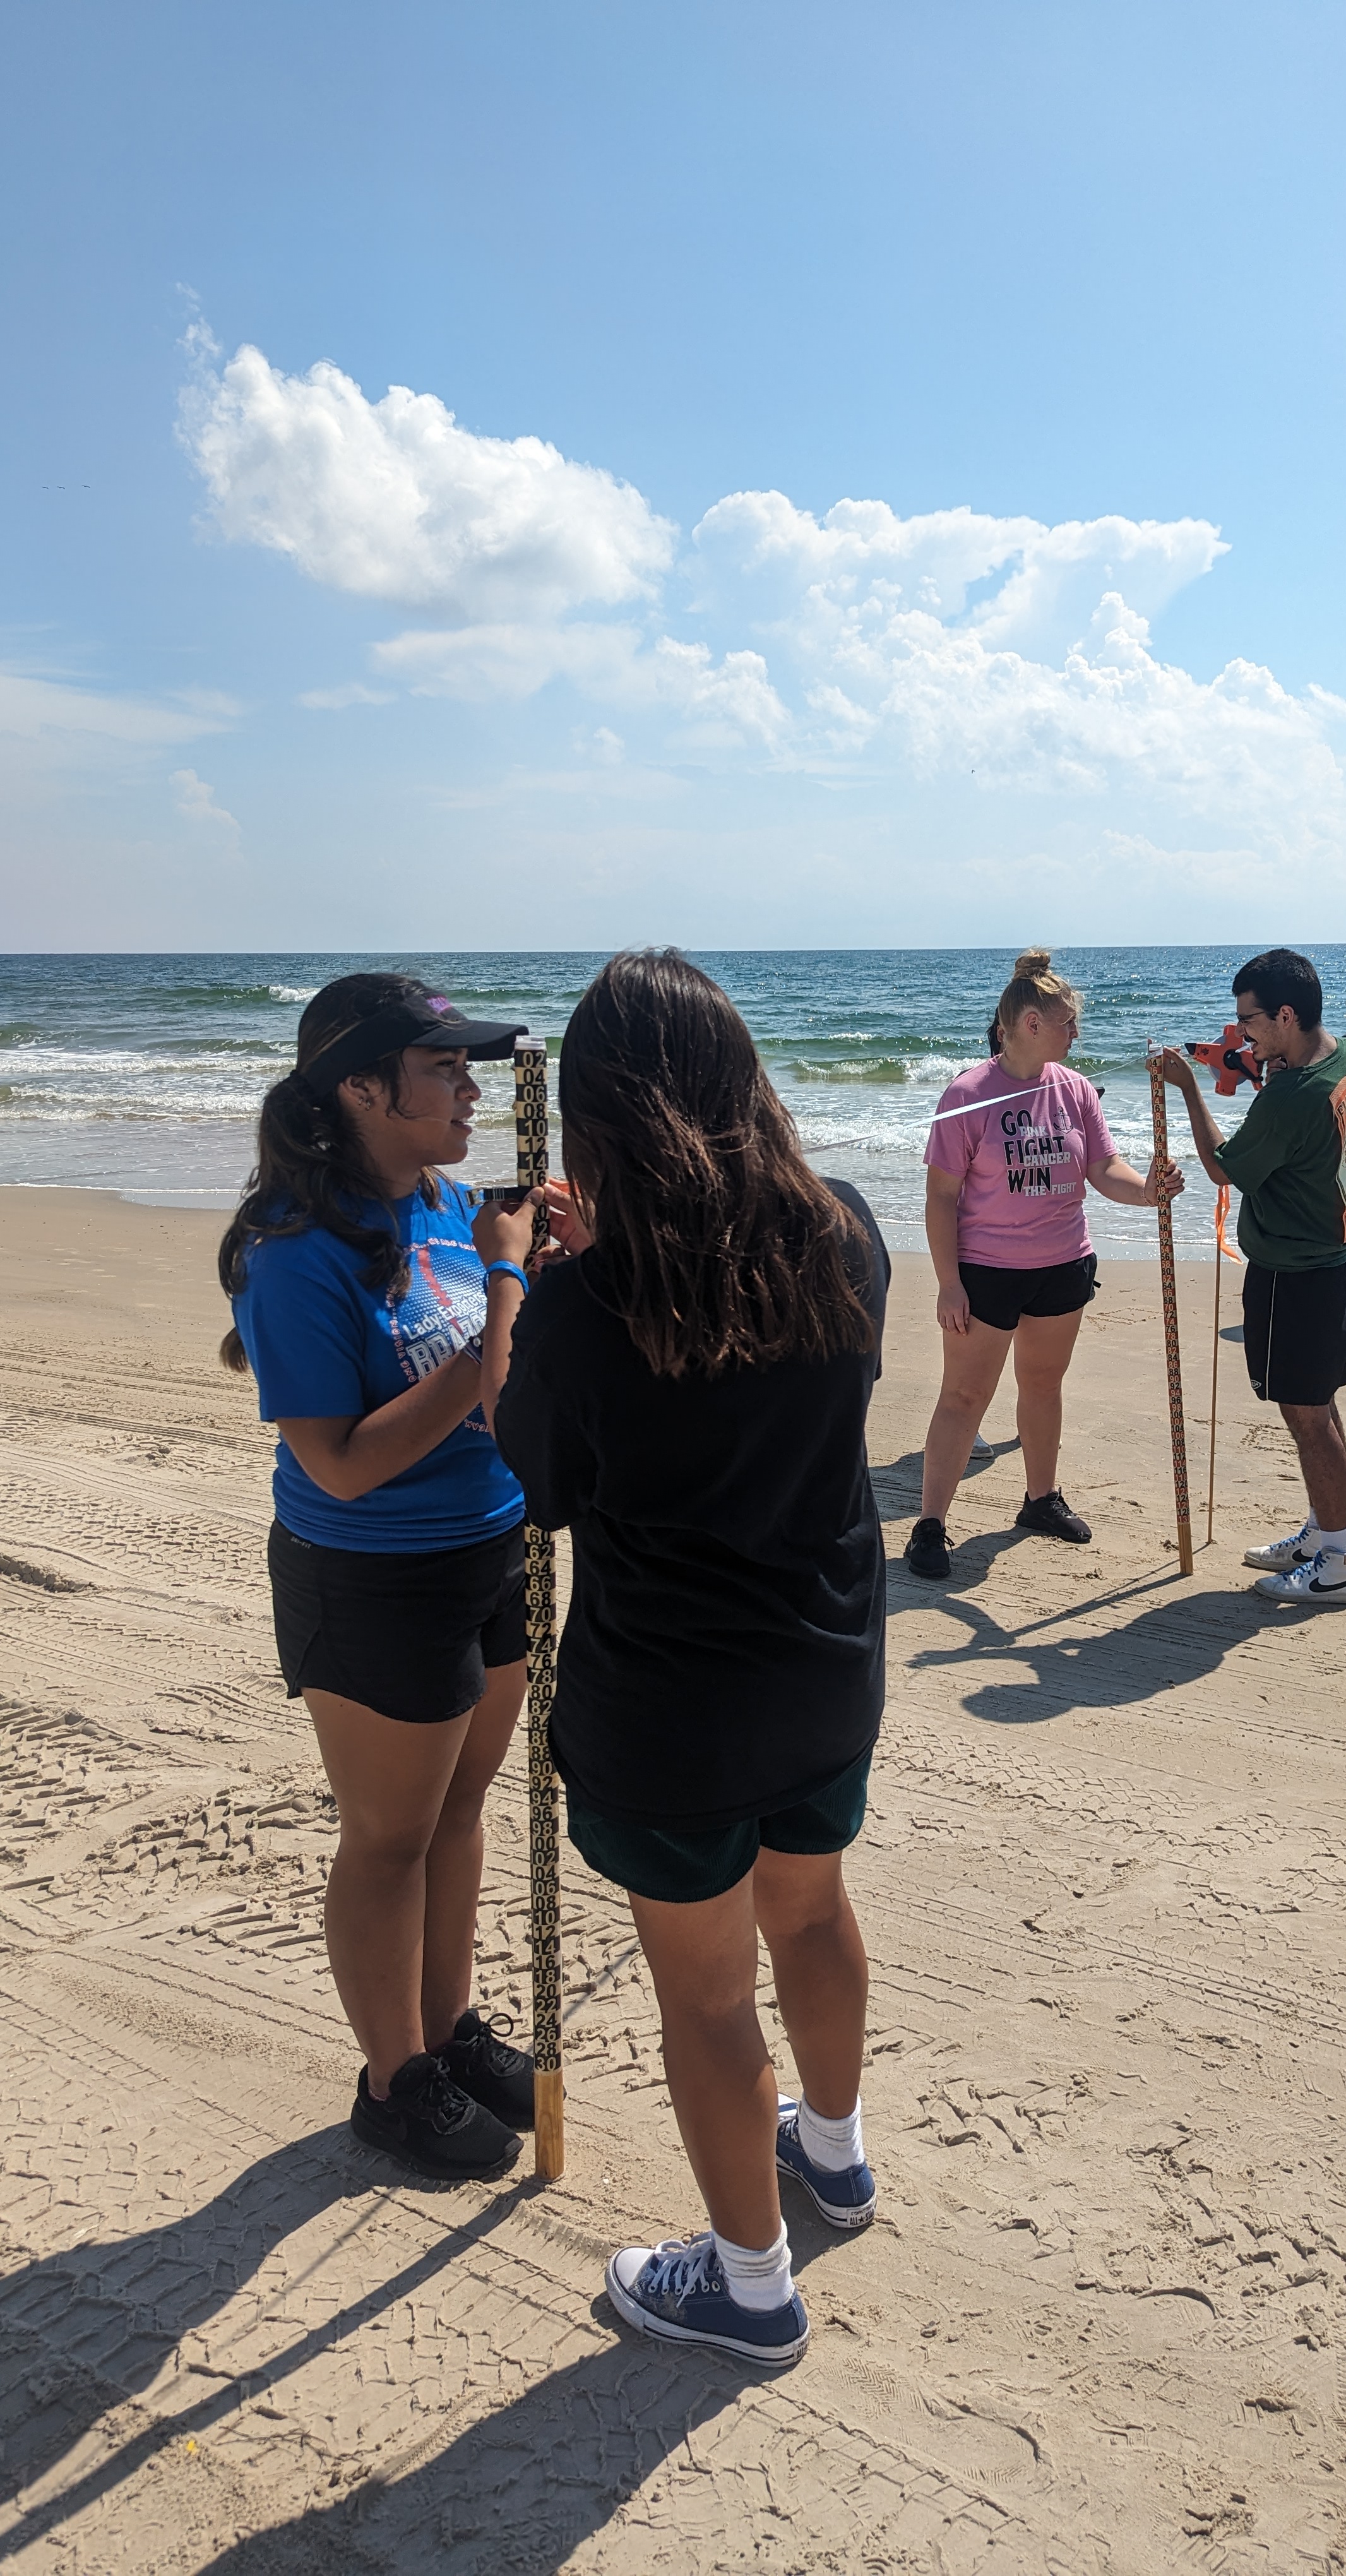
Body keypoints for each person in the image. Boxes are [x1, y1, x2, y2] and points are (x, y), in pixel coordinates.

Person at [494, 951, 890, 2368]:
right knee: (815, 1909)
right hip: (826, 1662)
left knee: (710, 1995)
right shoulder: (844, 1233)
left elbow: (531, 1480)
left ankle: (749, 2284)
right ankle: (831, 2153)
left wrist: (520, 1284)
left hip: (671, 1707)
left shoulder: (589, 1306)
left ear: (601, 1113)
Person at [220, 972, 545, 2178]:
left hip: (491, 1543)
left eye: (472, 1067)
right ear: (360, 1087)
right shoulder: (292, 1252)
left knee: (458, 1811)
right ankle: (390, 2078)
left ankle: (445, 2032)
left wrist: (549, 1269)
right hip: (369, 1572)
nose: (471, 1089)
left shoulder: (456, 1203)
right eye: (443, 1068)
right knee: (388, 1838)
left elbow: (512, 1376)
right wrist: (504, 1294)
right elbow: (343, 1465)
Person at [903, 949, 1182, 1581]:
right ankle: (930, 1525)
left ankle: (1040, 1499)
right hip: (987, 1271)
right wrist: (949, 1283)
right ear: (1030, 1023)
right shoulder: (968, 1095)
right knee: (964, 1395)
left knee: (1044, 1385)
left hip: (1064, 1262)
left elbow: (1103, 1169)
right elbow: (941, 1197)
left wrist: (1147, 1191)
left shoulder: (1075, 1089)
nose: (1076, 1034)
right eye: (1067, 1023)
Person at [1158, 947, 1346, 1609]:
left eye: (1251, 1021)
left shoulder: (1292, 1095)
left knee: (1307, 1414)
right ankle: (1324, 1533)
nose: (1245, 1034)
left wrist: (1189, 1088)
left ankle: (1341, 1561)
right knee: (1317, 1404)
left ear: (1286, 1014)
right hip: (1340, 1257)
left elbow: (1224, 1167)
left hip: (1297, 1273)